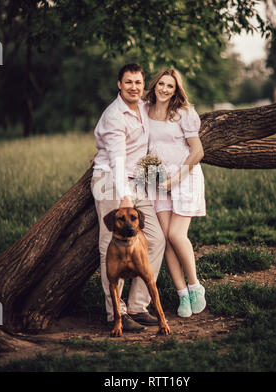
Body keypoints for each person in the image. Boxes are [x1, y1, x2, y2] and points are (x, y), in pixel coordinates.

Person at [91, 63, 166, 331]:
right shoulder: (114, 116)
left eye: (138, 82)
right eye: (128, 82)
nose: (134, 87)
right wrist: (124, 196)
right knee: (109, 244)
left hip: (134, 183)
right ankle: (116, 313)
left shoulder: (143, 108)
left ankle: (138, 305)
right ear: (119, 85)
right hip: (111, 182)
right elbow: (117, 160)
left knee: (156, 238)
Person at [144, 68, 206, 318]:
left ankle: (195, 286)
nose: (164, 89)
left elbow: (198, 151)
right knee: (166, 238)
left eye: (170, 86)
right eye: (161, 84)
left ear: (176, 90)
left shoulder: (183, 114)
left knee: (176, 234)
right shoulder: (144, 111)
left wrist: (175, 179)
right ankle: (181, 294)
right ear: (155, 84)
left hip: (185, 178)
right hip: (157, 180)